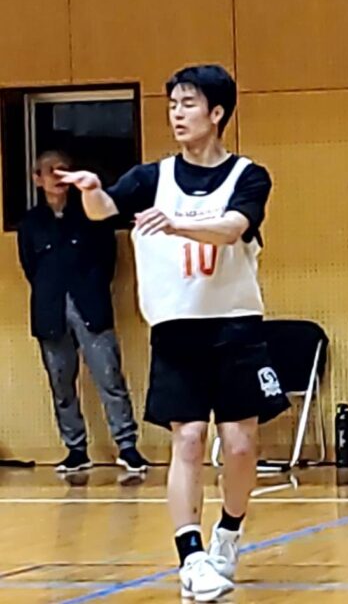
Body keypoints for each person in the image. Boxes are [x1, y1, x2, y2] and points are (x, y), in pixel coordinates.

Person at [60, 64, 289, 602]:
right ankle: (191, 556)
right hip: (175, 328)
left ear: (217, 112)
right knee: (187, 438)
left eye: (189, 104)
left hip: (235, 325)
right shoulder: (150, 178)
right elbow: (104, 210)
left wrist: (176, 223)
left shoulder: (248, 176)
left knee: (241, 444)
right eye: (172, 105)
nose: (178, 114)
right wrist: (91, 191)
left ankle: (228, 532)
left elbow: (233, 229)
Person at [17, 151, 148, 474]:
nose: (58, 176)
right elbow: (30, 267)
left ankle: (127, 446)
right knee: (61, 383)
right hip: (50, 310)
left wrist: (90, 287)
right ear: (37, 179)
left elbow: (108, 260)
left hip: (90, 305)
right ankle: (76, 449)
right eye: (50, 171)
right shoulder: (31, 223)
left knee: (109, 376)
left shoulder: (91, 214)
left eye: (64, 170)